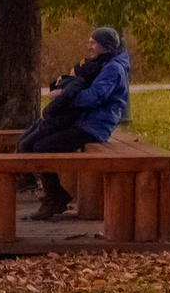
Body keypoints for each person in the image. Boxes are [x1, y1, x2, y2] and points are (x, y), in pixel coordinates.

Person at [18, 27, 131, 220]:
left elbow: (95, 97)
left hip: (94, 127)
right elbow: (85, 82)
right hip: (83, 121)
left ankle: (55, 197)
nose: (89, 47)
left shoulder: (113, 68)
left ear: (105, 46)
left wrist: (65, 95)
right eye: (89, 42)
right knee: (35, 141)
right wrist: (68, 80)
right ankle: (54, 194)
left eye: (93, 43)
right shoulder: (104, 63)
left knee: (42, 147)